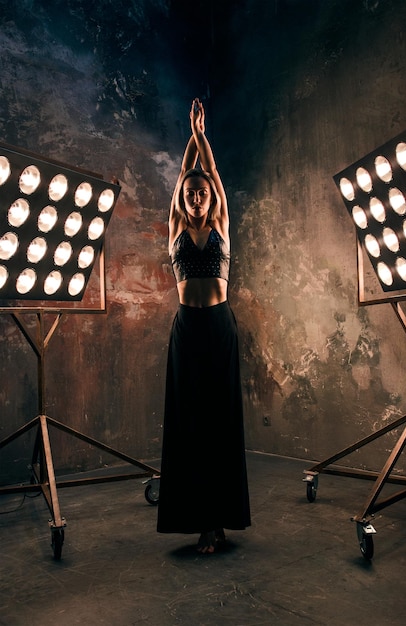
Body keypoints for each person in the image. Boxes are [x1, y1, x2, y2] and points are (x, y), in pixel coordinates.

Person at [157, 98, 251, 553]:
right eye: (191, 193)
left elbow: (210, 174)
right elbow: (185, 177)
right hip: (186, 331)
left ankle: (217, 521)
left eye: (203, 192)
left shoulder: (221, 226)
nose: (197, 196)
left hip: (218, 327)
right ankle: (198, 519)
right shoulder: (175, 226)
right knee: (190, 422)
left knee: (219, 422)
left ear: (211, 198)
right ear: (184, 199)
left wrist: (200, 135)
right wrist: (189, 146)